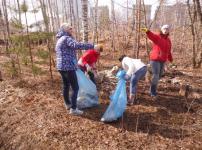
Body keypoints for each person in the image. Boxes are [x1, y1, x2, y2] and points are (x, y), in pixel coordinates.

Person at [55, 23, 101, 115]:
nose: (72, 29)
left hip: (61, 67)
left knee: (66, 85)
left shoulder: (60, 39)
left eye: (72, 28)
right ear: (65, 30)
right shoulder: (67, 38)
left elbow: (66, 52)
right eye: (70, 28)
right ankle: (73, 109)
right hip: (68, 67)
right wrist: (92, 46)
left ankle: (68, 104)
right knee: (75, 88)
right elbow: (77, 45)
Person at [141, 24, 173, 99]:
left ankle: (150, 77)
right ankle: (153, 92)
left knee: (160, 74)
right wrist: (148, 31)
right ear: (161, 30)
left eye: (167, 29)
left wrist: (170, 58)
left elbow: (169, 51)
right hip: (155, 59)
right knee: (156, 74)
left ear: (168, 31)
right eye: (164, 29)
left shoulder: (168, 40)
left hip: (163, 60)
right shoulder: (158, 37)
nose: (165, 30)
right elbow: (152, 36)